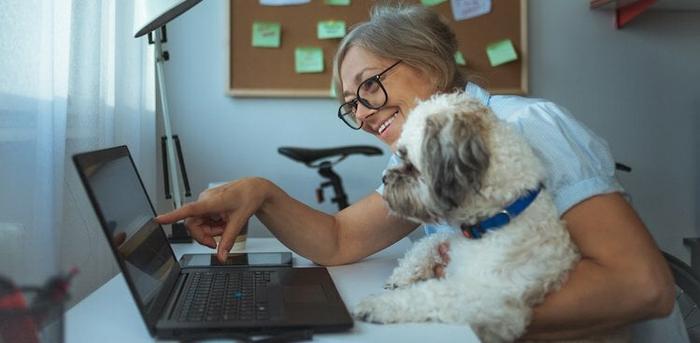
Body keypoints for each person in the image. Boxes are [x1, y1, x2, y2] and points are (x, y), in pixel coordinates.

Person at [157, 4, 677, 340]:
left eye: (368, 86)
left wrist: (445, 313)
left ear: (428, 65)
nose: (360, 113)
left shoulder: (523, 125)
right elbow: (340, 240)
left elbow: (640, 286)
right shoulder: (424, 155)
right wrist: (261, 192)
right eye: (349, 104)